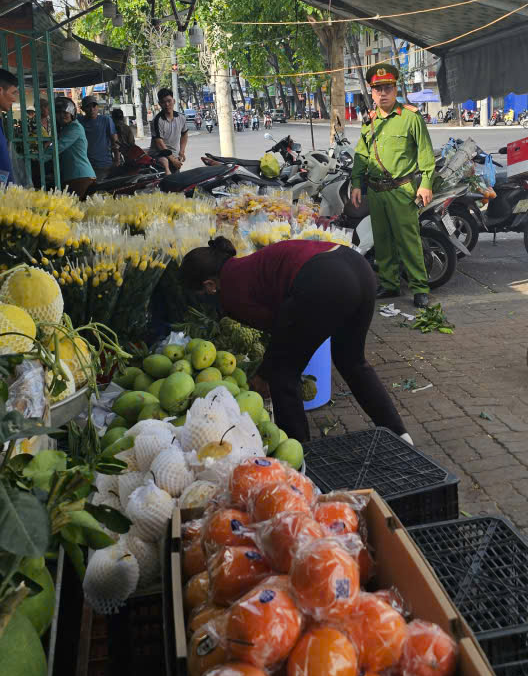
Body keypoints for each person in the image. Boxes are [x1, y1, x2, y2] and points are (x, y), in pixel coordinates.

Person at [180, 237, 410, 444]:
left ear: (209, 285)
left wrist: (262, 375)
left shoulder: (231, 292)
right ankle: (401, 437)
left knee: (282, 375)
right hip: (357, 266)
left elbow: (282, 330)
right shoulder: (242, 266)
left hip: (325, 281)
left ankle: (301, 455)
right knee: (352, 362)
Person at [349, 62, 436, 309]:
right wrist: (357, 184)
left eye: (387, 88)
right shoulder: (370, 121)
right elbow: (361, 155)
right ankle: (389, 284)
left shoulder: (410, 117)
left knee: (409, 242)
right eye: (378, 89)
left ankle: (419, 288)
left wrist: (426, 183)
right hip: (376, 192)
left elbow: (425, 153)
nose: (383, 93)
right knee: (383, 241)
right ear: (372, 92)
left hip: (402, 190)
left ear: (395, 89)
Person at [52, 97, 96, 196]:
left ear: (72, 114)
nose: (61, 116)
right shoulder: (65, 129)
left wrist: (39, 157)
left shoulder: (75, 128)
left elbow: (57, 147)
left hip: (80, 177)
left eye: (65, 113)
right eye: (58, 113)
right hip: (73, 176)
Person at [149, 87, 188, 173]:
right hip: (159, 157)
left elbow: (184, 134)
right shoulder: (157, 120)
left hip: (175, 157)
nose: (167, 104)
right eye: (163, 102)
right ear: (159, 104)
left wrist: (182, 151)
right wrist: (173, 160)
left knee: (176, 183)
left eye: (169, 101)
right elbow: (159, 143)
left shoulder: (181, 117)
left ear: (173, 101)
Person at [80, 96, 118, 177]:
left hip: (104, 165)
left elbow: (115, 141)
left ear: (97, 107)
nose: (91, 109)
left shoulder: (106, 120)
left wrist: (117, 160)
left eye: (94, 106)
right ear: (82, 109)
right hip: (85, 165)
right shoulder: (79, 122)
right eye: (88, 107)